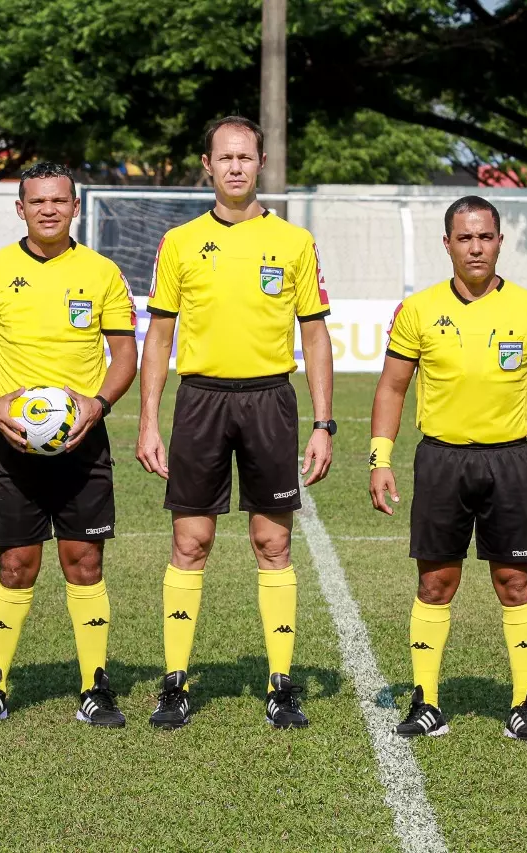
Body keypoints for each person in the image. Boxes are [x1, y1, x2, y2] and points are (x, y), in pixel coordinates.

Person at [136, 116, 335, 730]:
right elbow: (160, 335)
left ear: (262, 163)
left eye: (245, 157)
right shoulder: (179, 243)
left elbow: (315, 333)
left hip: (270, 402)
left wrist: (323, 422)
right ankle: (174, 683)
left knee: (272, 544)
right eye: (224, 158)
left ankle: (280, 683)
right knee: (189, 542)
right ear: (207, 165)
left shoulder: (295, 243)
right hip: (200, 402)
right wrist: (148, 419)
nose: (235, 168)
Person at [368, 195, 527, 745]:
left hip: (509, 460)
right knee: (435, 582)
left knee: (515, 582)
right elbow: (392, 386)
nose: (475, 247)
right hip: (441, 459)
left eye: (484, 236)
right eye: (464, 238)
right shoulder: (417, 309)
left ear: (500, 241)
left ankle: (524, 702)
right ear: (447, 245)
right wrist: (380, 458)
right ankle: (426, 702)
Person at [0, 162, 138, 728]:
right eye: (37, 202)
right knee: (16, 564)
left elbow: (125, 356)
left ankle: (94, 685)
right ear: (20, 209)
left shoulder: (104, 273)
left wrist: (98, 404)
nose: (49, 210)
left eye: (60, 201)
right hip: (13, 442)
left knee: (83, 561)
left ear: (76, 206)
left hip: (83, 438)